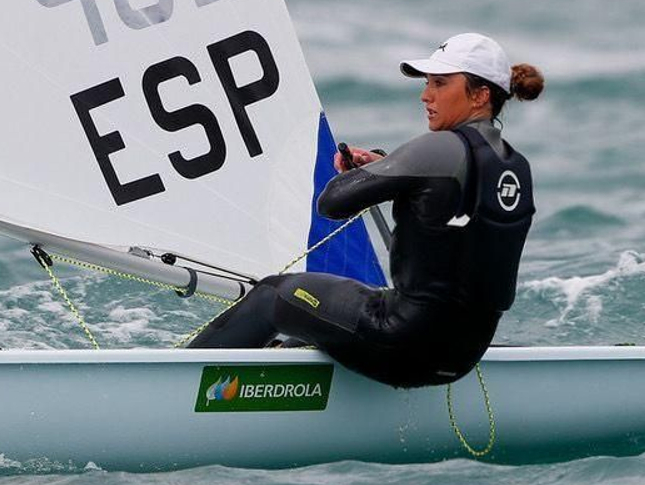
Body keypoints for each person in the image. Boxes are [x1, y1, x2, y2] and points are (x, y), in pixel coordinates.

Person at [186, 33, 545, 387]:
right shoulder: (516, 167)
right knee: (315, 325)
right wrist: (389, 168)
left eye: (439, 83)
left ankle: (180, 384)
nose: (426, 95)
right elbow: (455, 217)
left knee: (273, 295)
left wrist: (375, 172)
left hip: (398, 342)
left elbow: (332, 203)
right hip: (460, 356)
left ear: (480, 95)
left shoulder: (438, 149)